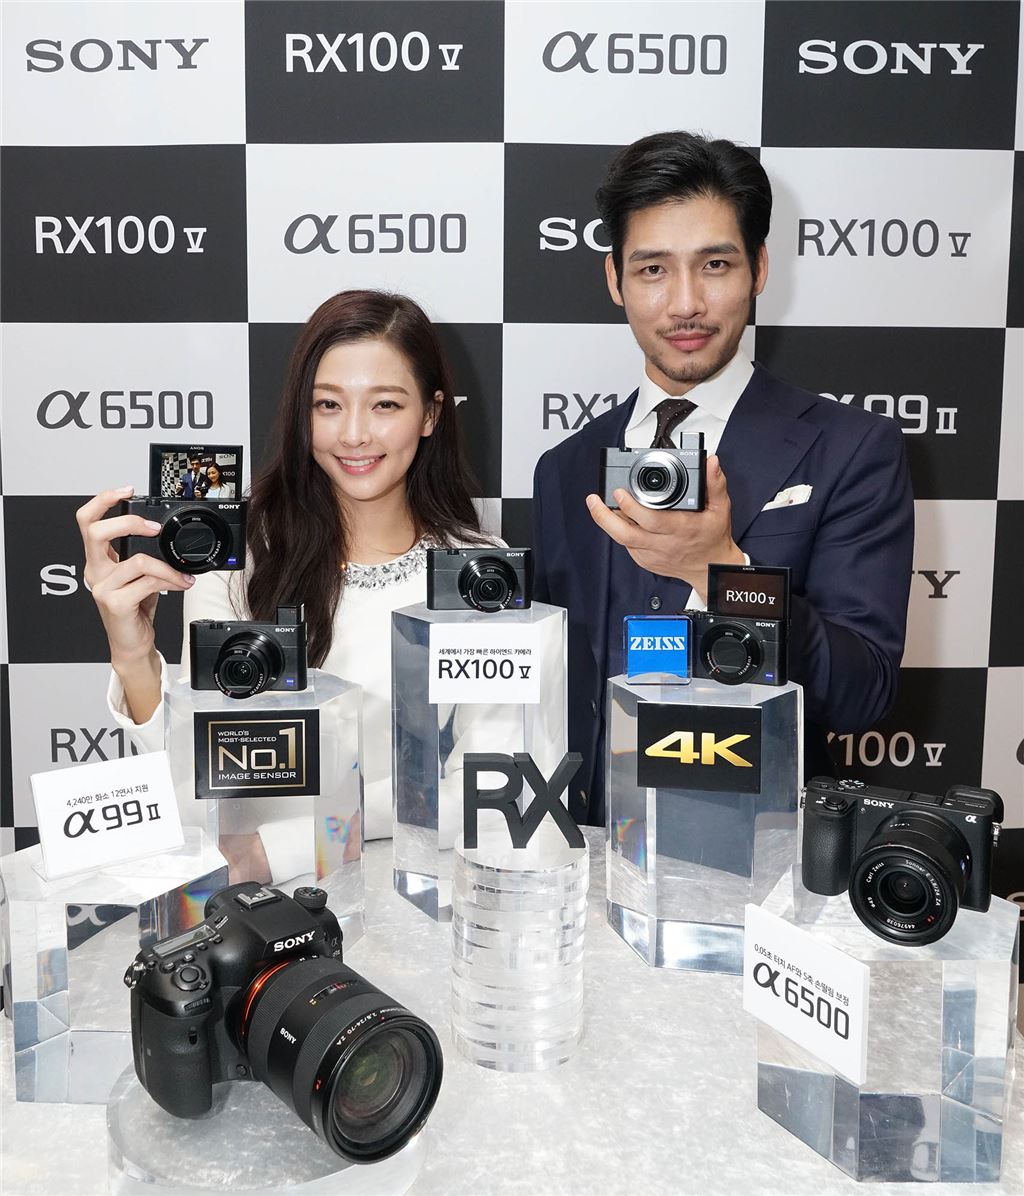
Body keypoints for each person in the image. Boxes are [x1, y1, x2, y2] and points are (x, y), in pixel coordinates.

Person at [532, 130, 914, 826]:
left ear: (759, 268)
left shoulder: (851, 449)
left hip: (765, 850)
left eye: (714, 264)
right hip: (594, 851)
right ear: (615, 278)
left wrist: (725, 574)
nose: (686, 303)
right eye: (653, 269)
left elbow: (863, 693)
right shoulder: (565, 469)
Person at [77, 290, 490, 879]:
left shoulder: (477, 573)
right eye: (328, 404)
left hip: (404, 886)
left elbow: (491, 787)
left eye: (385, 405)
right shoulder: (239, 555)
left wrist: (284, 849)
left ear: (430, 414)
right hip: (249, 899)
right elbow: (194, 777)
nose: (353, 434)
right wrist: (132, 652)